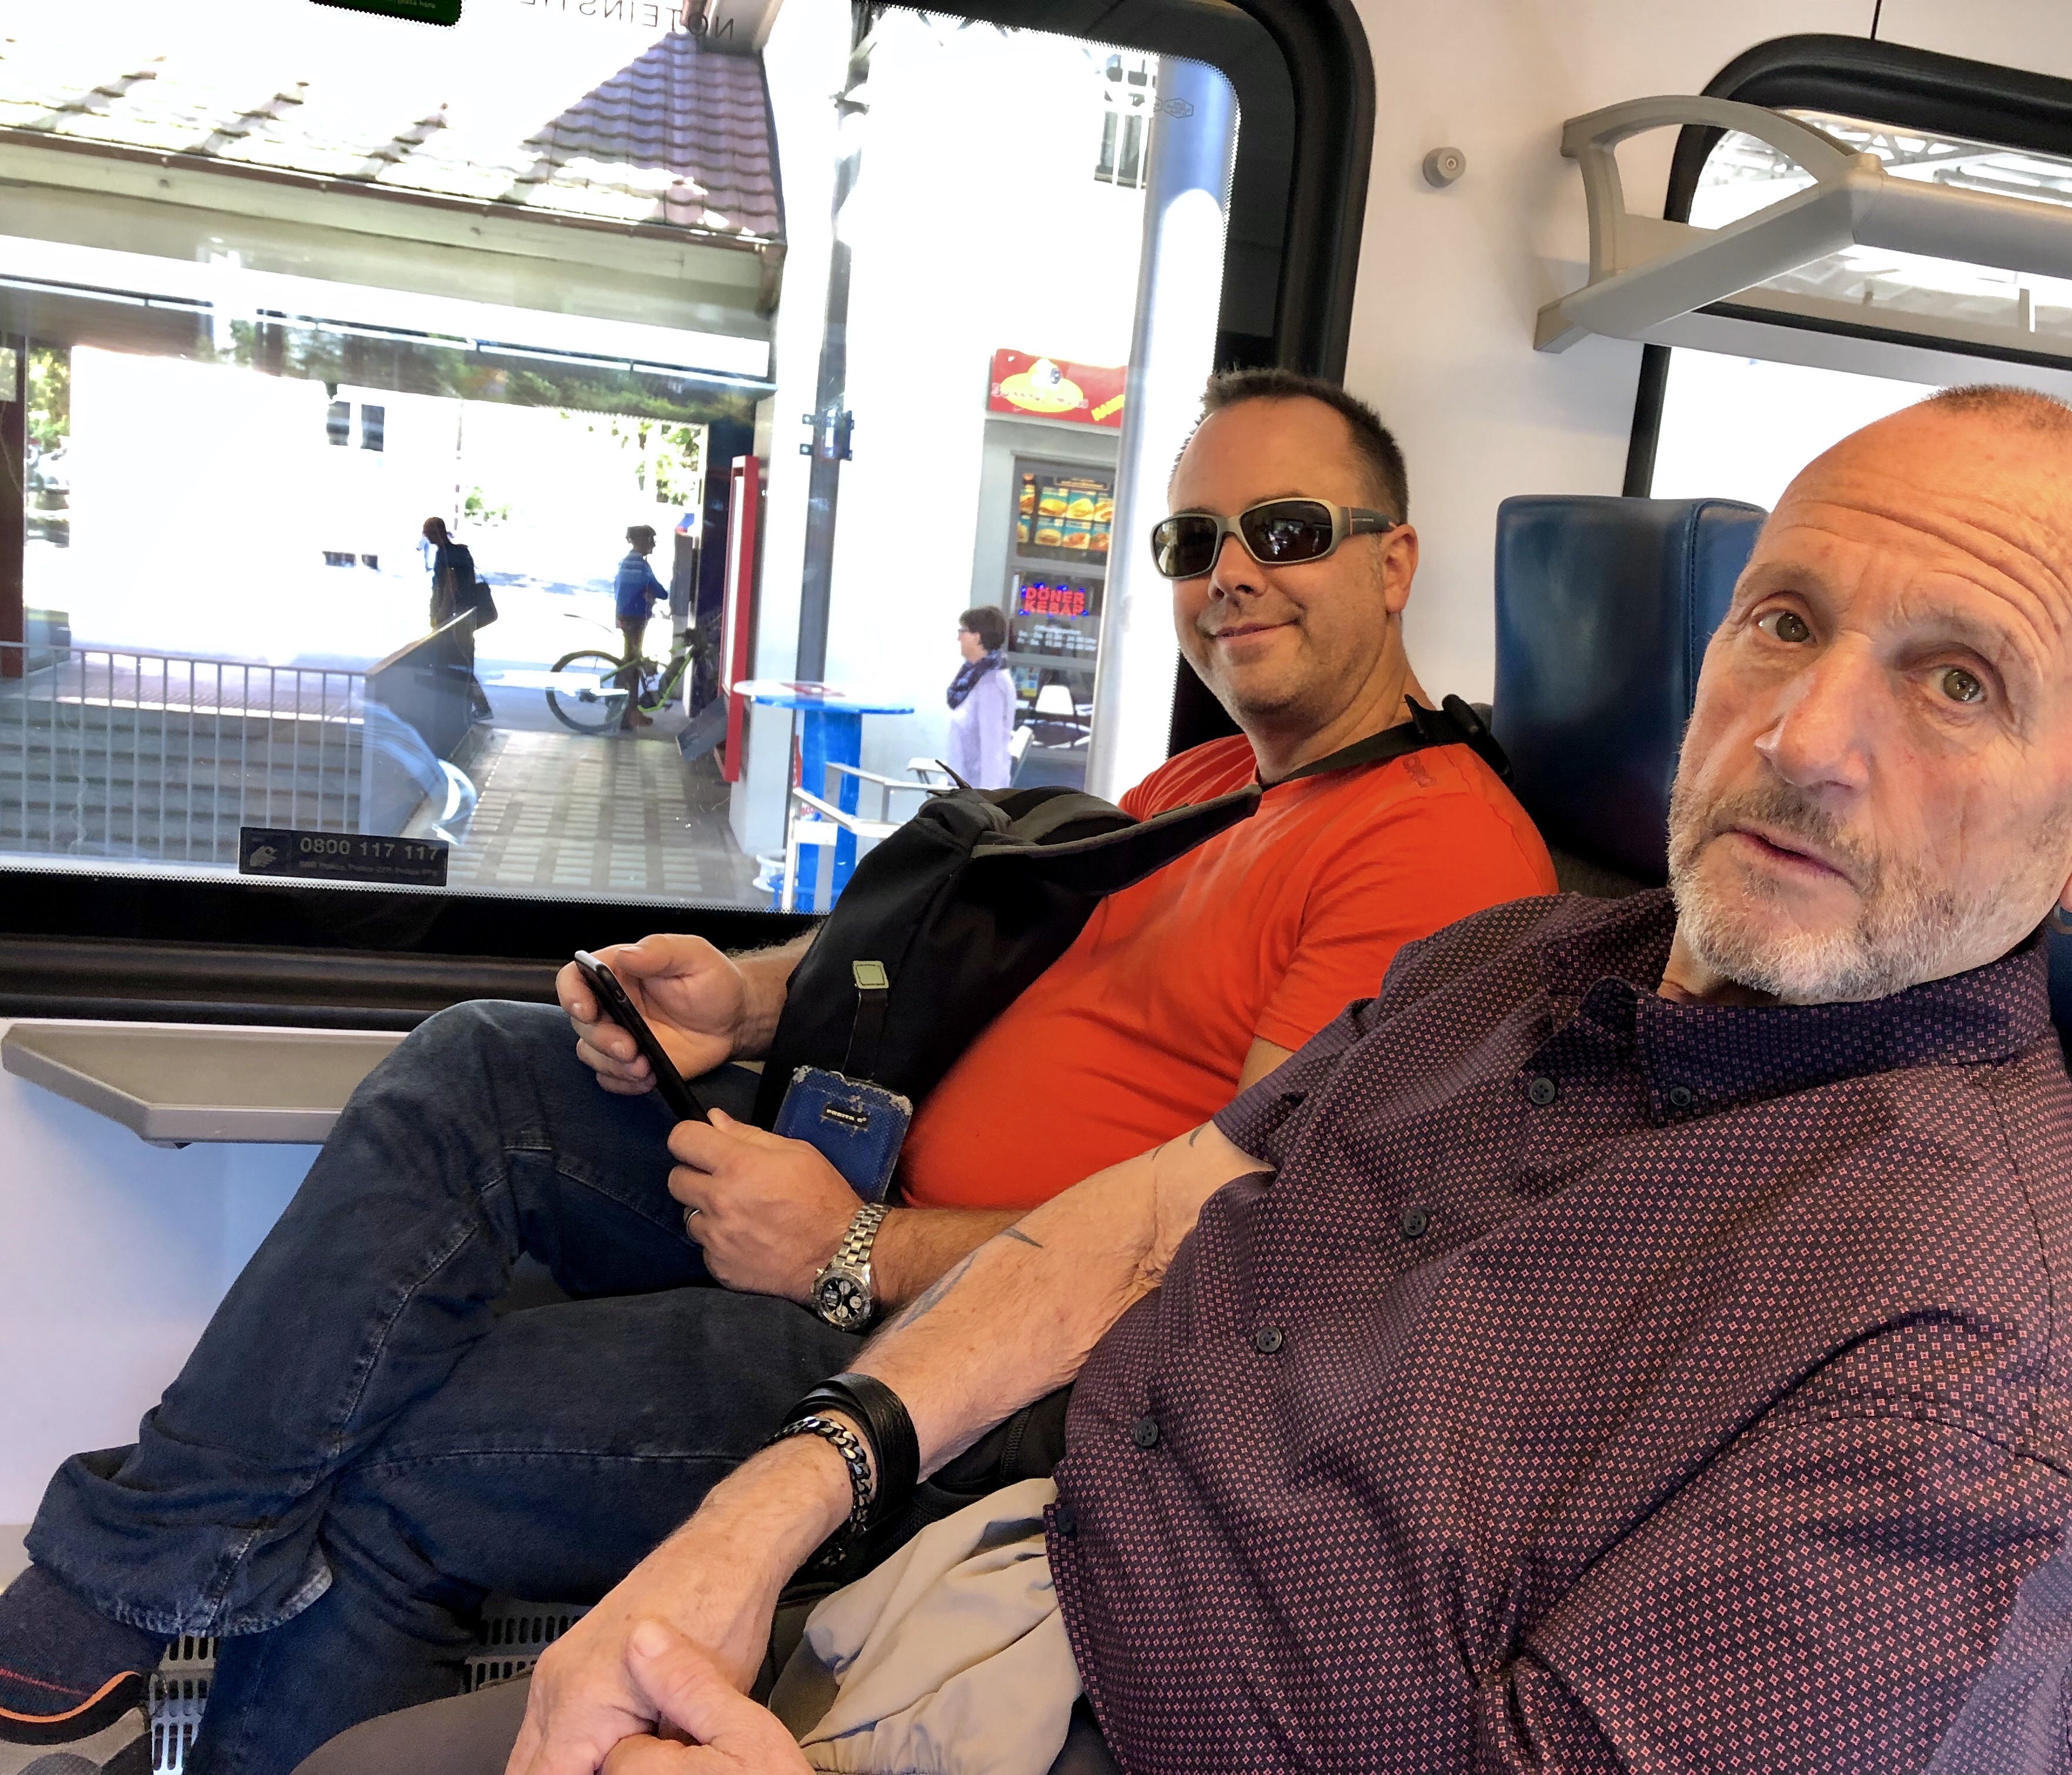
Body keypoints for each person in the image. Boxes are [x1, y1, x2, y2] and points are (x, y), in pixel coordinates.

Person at [329, 386, 2072, 1775]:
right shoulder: (1516, 965)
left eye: (1960, 684)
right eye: (1785, 621)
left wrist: (847, 1263)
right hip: (1005, 1570)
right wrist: (770, 1510)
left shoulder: (1975, 1385)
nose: (1805, 739)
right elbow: (1165, 1210)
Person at [0, 371, 1558, 1773]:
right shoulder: (1215, 781)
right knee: (480, 1064)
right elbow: (986, 976)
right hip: (859, 1214)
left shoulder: (1432, 851)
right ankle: (126, 1578)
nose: (1229, 576)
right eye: (1193, 541)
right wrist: (744, 1006)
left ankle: (141, 1599)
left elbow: (1233, 1256)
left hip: (978, 1374)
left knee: (400, 1454)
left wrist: (854, 1249)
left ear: (1393, 563)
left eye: (1285, 531)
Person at [422, 515, 494, 720]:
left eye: (427, 532)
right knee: (462, 662)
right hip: (465, 614)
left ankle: (478, 706)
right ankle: (472, 706)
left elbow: (449, 586)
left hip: (452, 618)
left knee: (453, 663)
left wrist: (442, 615)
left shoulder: (446, 555)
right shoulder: (462, 552)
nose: (426, 536)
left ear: (436, 532)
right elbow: (469, 581)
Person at [944, 605, 1018, 789]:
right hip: (964, 788)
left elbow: (992, 747)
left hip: (976, 791)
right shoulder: (974, 676)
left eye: (963, 631)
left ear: (977, 637)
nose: (958, 637)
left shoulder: (991, 683)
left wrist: (986, 799)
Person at [615, 524, 669, 731]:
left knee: (631, 662)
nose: (653, 545)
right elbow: (661, 592)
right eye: (651, 540)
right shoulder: (639, 566)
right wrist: (650, 592)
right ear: (641, 542)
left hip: (627, 616)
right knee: (632, 666)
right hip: (635, 618)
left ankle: (628, 712)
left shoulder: (626, 562)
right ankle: (627, 715)